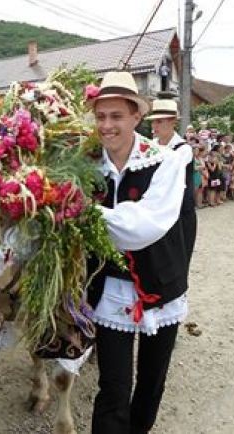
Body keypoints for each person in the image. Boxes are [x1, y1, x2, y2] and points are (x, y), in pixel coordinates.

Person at [84, 71, 188, 434]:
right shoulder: (86, 166)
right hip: (111, 289)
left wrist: (83, 210)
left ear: (136, 116)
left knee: (151, 383)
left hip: (161, 284)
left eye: (116, 116)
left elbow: (143, 227)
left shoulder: (166, 161)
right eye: (100, 116)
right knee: (112, 387)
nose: (106, 125)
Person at [148, 98, 197, 268]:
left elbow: (167, 171)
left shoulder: (183, 149)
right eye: (153, 121)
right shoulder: (151, 146)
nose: (154, 125)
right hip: (156, 211)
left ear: (172, 122)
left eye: (159, 121)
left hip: (180, 213)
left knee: (178, 261)